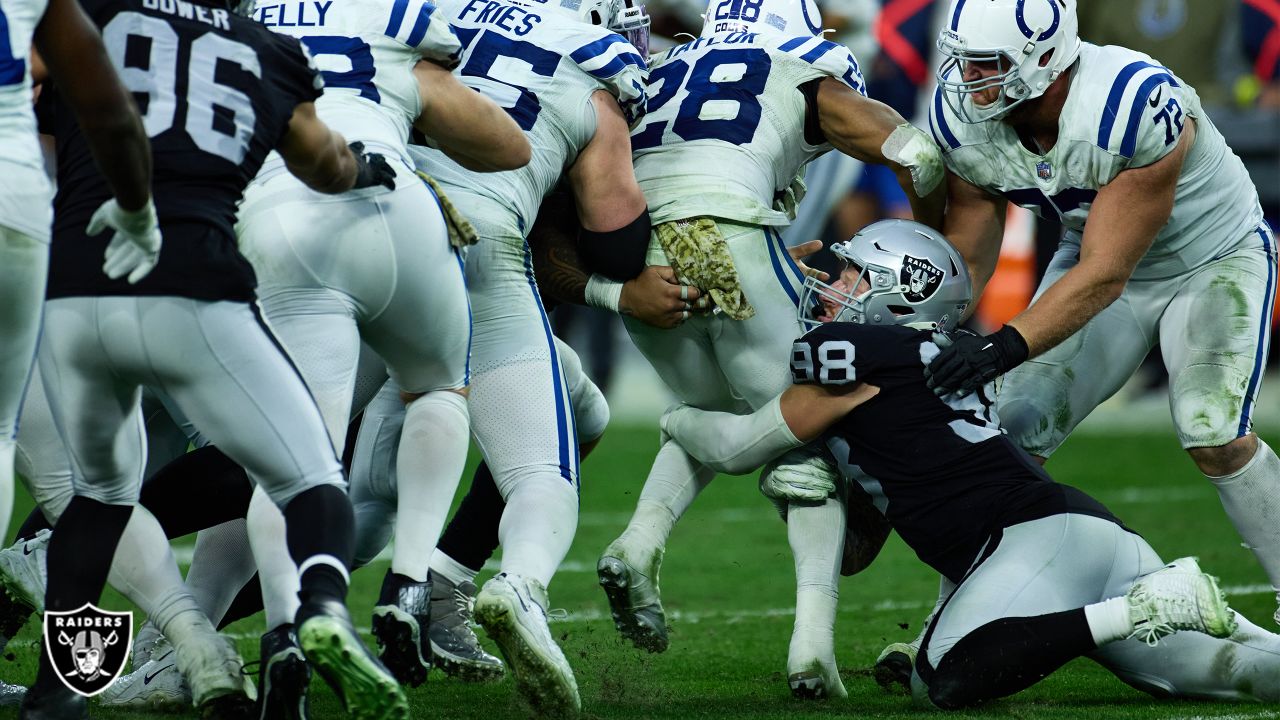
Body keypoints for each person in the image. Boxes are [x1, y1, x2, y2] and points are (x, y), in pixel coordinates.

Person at [661, 219, 1280, 709]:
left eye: (850, 274)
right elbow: (857, 546)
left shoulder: (853, 354)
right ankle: (1170, 612)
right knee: (1242, 676)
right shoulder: (931, 352)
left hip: (1028, 543)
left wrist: (676, 417)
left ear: (896, 296)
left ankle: (1141, 610)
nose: (829, 284)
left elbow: (735, 447)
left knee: (941, 680)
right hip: (1078, 534)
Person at [22, 0, 406, 712]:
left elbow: (31, 68)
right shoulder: (265, 46)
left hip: (73, 295)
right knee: (314, 477)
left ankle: (59, 690)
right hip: (192, 287)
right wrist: (365, 172)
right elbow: (324, 162)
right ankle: (319, 607)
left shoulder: (92, 15)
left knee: (100, 499)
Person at [597, 0, 946, 698]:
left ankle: (637, 543)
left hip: (640, 258)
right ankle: (811, 647)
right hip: (727, 233)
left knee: (712, 401)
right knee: (808, 439)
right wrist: (931, 213)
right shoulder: (803, 62)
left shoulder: (666, 64)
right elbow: (899, 143)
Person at [921, 0, 1280, 623]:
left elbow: (1105, 275)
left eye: (988, 65)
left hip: (1211, 256)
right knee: (1006, 439)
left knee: (1212, 428)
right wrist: (942, 324)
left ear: (1044, 59)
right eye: (967, 64)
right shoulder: (963, 117)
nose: (970, 81)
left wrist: (1002, 346)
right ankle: (958, 621)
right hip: (1091, 254)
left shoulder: (1129, 102)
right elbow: (973, 235)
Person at [236, 0, 529, 707]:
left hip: (283, 215)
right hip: (399, 206)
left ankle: (284, 631)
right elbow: (508, 147)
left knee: (296, 456)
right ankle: (407, 582)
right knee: (436, 389)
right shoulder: (392, 20)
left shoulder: (231, 25)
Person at [397, 0, 650, 710]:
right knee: (541, 470)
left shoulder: (441, 22)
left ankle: (442, 585)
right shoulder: (595, 68)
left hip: (376, 223)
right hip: (474, 245)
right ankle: (522, 584)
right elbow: (618, 244)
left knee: (582, 404)